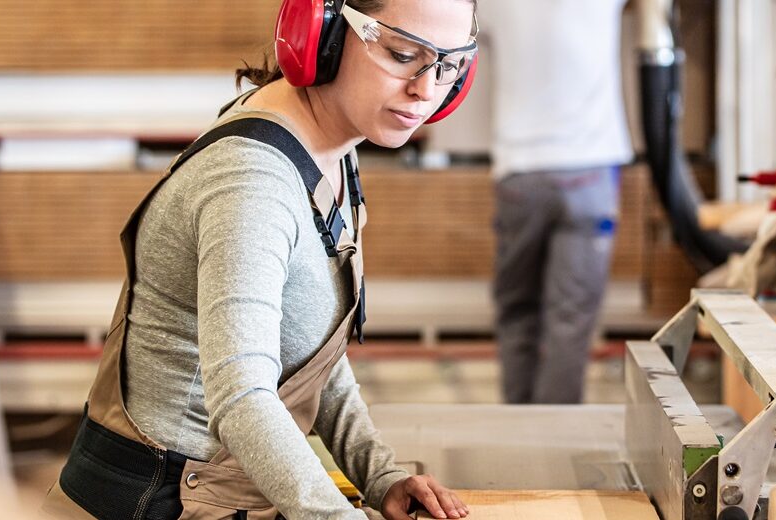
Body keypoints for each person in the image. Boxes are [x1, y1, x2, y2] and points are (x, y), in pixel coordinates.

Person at [39, 1, 478, 519]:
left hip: (218, 489)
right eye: (403, 54)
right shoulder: (253, 182)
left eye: (448, 66)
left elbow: (308, 350)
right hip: (156, 500)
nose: (426, 90)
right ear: (325, 35)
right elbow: (243, 396)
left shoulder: (331, 143)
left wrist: (379, 475)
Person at [480, 0, 633, 405]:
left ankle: (519, 425)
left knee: (518, 313)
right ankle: (556, 437)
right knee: (571, 322)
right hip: (590, 173)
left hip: (520, 172)